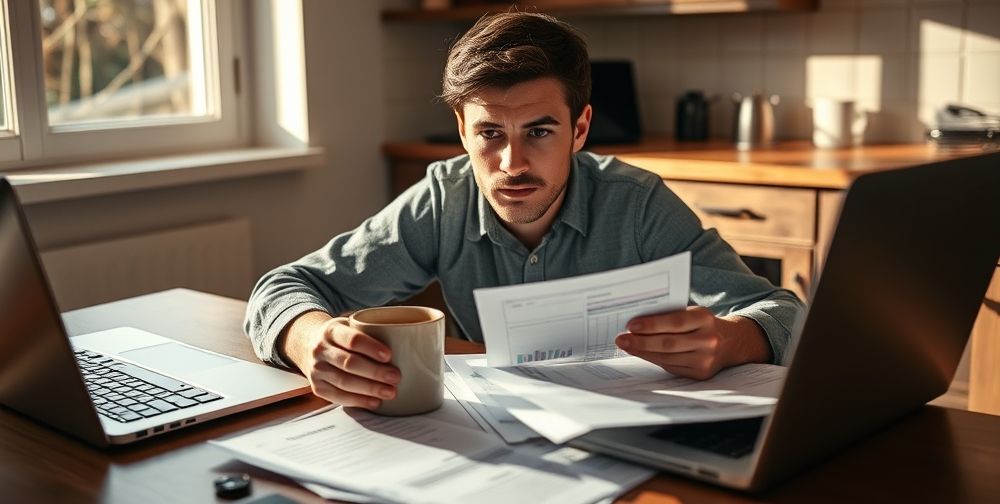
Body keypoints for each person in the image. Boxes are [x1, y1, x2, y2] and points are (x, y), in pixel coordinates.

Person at [245, 12, 804, 410]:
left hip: (635, 435)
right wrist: (308, 340)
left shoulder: (638, 203)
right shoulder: (444, 199)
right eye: (490, 132)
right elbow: (283, 287)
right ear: (462, 131)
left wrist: (730, 339)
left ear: (580, 128)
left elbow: (782, 310)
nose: (512, 163)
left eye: (539, 131)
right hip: (491, 436)